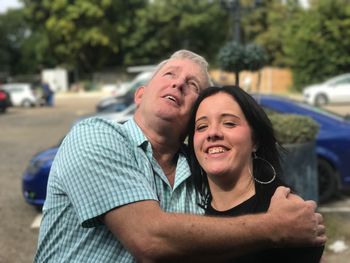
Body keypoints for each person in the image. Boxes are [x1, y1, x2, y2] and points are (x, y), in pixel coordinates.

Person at [35, 50, 325, 262]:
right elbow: (148, 239)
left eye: (193, 85)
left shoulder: (199, 172)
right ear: (140, 95)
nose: (178, 83)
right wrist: (274, 227)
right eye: (169, 74)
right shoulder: (96, 135)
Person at [187, 85, 324, 262]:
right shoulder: (190, 208)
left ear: (255, 141)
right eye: (202, 126)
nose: (212, 133)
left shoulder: (287, 209)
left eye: (229, 123)